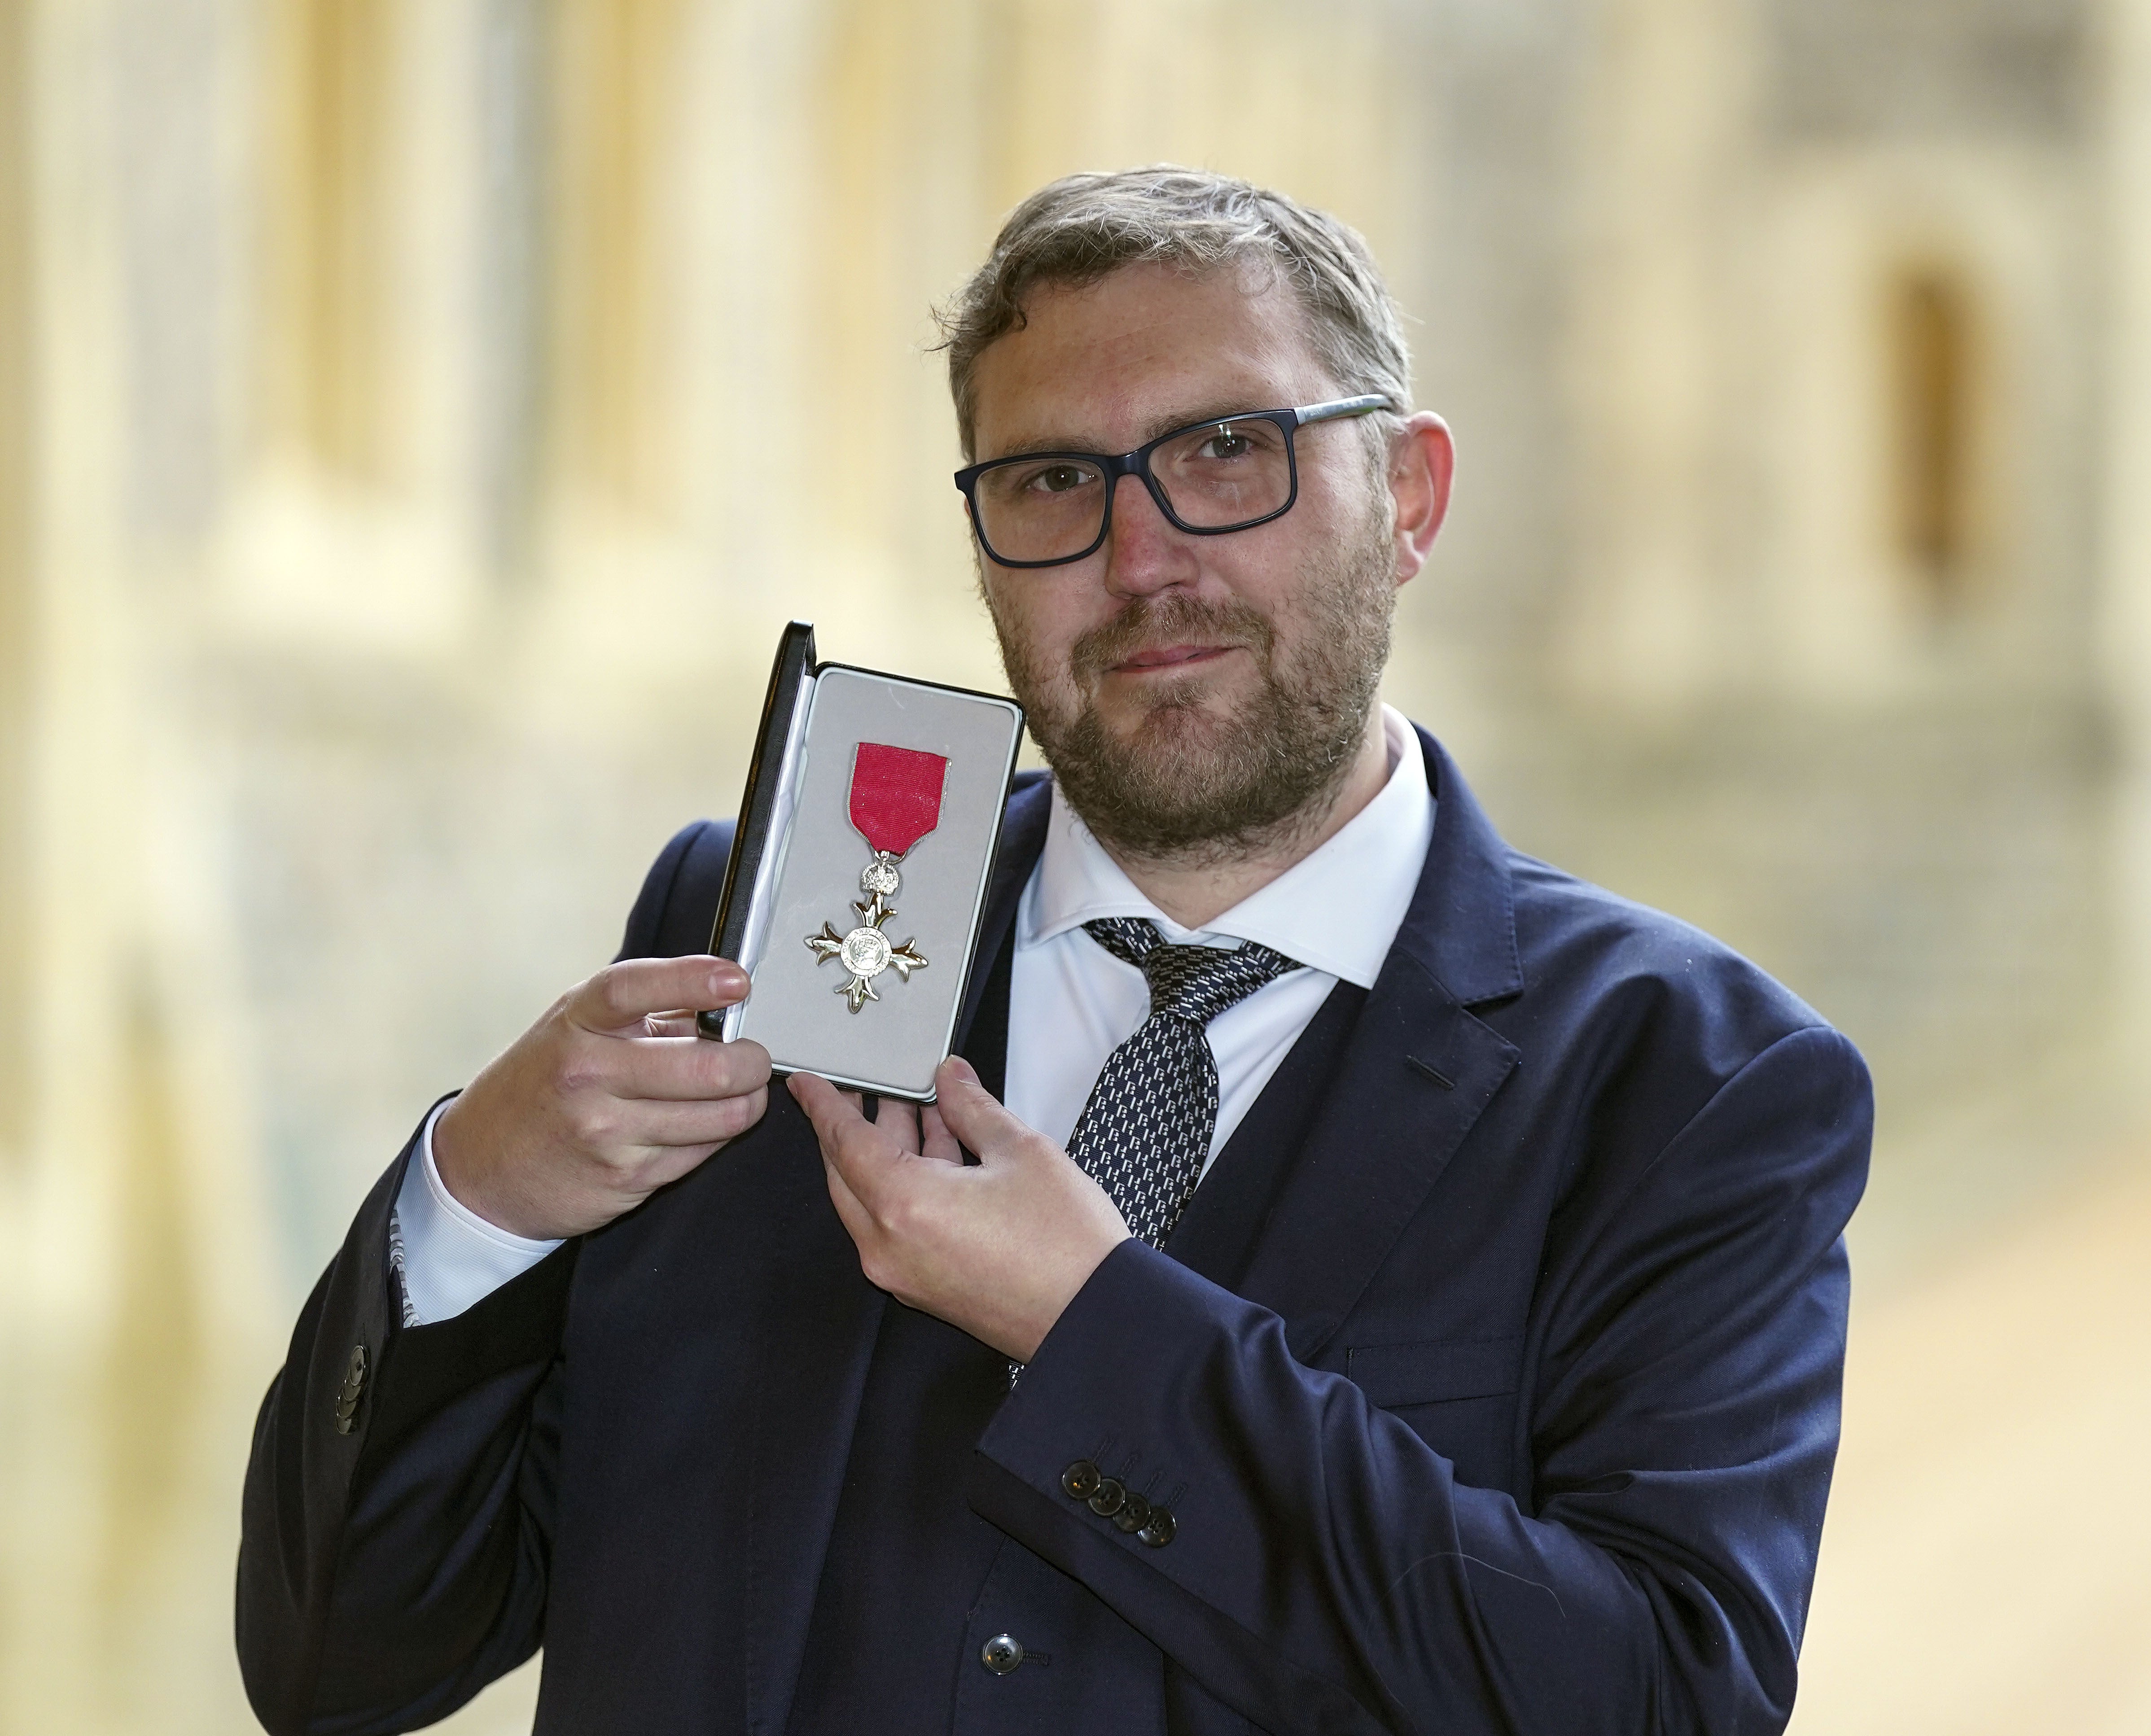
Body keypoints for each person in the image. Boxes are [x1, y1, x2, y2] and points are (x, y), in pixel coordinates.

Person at [237, 168, 1871, 1736]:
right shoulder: (762, 932)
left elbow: (1657, 1696)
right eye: (1052, 483)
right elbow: (344, 1667)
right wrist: (475, 1202)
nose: (1143, 558)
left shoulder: (1692, 1085)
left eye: (1231, 451)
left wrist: (1101, 1330)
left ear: (1412, 498)